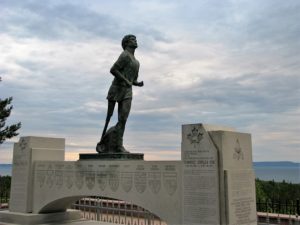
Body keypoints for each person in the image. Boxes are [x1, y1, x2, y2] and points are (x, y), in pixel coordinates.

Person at [97, 34, 143, 153]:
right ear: (127, 43)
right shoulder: (125, 55)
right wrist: (125, 80)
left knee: (123, 118)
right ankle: (104, 142)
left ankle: (118, 144)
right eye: (133, 39)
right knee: (109, 117)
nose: (135, 41)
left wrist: (137, 83)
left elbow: (132, 80)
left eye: (135, 39)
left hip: (127, 91)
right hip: (116, 88)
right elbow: (113, 69)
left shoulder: (137, 62)